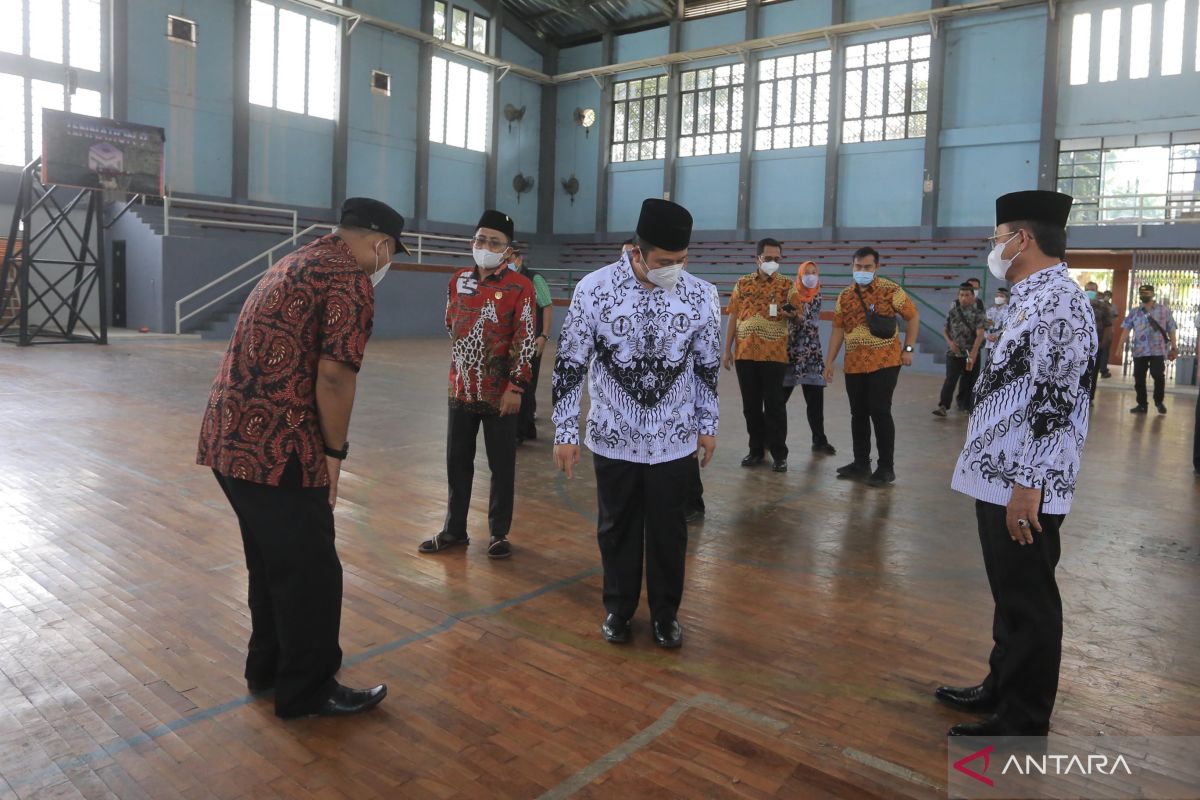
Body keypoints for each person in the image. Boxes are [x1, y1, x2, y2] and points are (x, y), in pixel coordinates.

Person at [197, 197, 405, 718]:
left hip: (231, 438)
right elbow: (335, 376)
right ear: (381, 244)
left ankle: (268, 668)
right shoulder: (348, 279)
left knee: (272, 561)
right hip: (277, 446)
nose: (386, 263)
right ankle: (307, 689)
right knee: (312, 569)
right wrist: (335, 453)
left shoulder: (299, 259)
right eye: (391, 253)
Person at [938, 189, 1096, 737]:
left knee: (1028, 597)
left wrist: (1029, 486)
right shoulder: (1025, 296)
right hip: (999, 473)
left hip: (1025, 484)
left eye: (999, 236)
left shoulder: (1061, 302)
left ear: (1022, 239)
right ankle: (1001, 683)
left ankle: (1025, 713)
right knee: (1008, 590)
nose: (995, 245)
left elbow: (1055, 402)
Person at [552, 198, 720, 649]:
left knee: (670, 532)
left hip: (674, 439)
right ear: (636, 251)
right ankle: (619, 608)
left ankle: (666, 615)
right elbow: (569, 363)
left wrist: (709, 424)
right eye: (665, 262)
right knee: (617, 528)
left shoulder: (702, 295)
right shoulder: (594, 289)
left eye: (682, 261)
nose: (674, 269)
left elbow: (706, 368)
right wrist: (566, 432)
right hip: (613, 436)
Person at [420, 210, 535, 559]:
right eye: (481, 240)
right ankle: (454, 529)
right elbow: (449, 322)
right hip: (461, 388)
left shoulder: (521, 287)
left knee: (501, 465)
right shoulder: (457, 279)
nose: (485, 246)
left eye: (494, 242)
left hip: (500, 394)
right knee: (457, 460)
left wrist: (515, 387)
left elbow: (525, 339)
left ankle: (498, 533)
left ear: (508, 250)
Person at [822, 246, 920, 487]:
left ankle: (886, 468)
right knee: (858, 414)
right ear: (852, 266)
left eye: (867, 267)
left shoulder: (891, 290)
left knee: (880, 411)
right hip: (854, 365)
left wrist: (908, 350)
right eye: (858, 267)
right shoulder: (844, 295)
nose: (862, 271)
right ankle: (861, 463)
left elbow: (913, 316)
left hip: (885, 362)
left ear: (877, 267)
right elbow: (837, 329)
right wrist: (829, 361)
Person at [723, 237, 799, 472]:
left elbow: (799, 315)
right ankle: (756, 451)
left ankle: (779, 454)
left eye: (777, 259)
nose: (773, 262)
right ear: (757, 258)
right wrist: (726, 349)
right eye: (768, 258)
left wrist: (793, 316)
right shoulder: (742, 283)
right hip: (745, 354)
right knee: (751, 406)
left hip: (774, 355)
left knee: (775, 405)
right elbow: (733, 316)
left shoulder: (787, 285)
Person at [782, 260, 835, 455]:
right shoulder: (790, 294)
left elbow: (809, 324)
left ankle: (819, 440)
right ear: (800, 274)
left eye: (814, 272)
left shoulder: (817, 296)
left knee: (815, 401)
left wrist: (795, 317)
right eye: (807, 272)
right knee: (779, 401)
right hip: (789, 353)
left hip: (811, 354)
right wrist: (790, 316)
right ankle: (768, 438)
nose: (811, 276)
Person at [511, 248, 553, 444]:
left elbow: (547, 306)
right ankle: (526, 427)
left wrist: (543, 335)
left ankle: (521, 430)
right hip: (513, 341)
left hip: (532, 340)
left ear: (519, 259)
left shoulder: (535, 279)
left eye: (511, 259)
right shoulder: (507, 278)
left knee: (527, 384)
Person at [1117, 284, 1178, 414]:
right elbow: (1126, 330)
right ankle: (1142, 404)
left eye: (1147, 293)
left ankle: (1159, 401)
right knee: (1139, 378)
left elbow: (1171, 329)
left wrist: (1174, 347)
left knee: (1158, 375)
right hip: (1140, 350)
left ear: (1153, 294)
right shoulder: (1134, 311)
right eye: (1142, 293)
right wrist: (1119, 346)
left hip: (1158, 350)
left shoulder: (1163, 310)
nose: (1144, 295)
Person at [933, 283, 986, 416]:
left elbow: (980, 334)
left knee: (970, 381)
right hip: (954, 353)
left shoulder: (978, 314)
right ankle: (943, 406)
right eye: (961, 295)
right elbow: (945, 329)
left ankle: (968, 406)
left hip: (971, 353)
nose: (964, 298)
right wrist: (950, 343)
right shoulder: (953, 312)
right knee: (950, 379)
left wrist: (974, 353)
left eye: (967, 295)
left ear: (973, 297)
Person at [1083, 281, 1113, 404]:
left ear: (1096, 292)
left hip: (1096, 345)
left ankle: (1090, 397)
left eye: (1092, 290)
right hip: (1080, 345)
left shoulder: (1103, 307)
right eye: (1088, 290)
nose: (1090, 292)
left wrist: (1103, 343)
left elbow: (1108, 325)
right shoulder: (1078, 303)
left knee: (1093, 372)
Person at [981, 287, 1010, 370]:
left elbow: (1008, 327)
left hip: (1001, 343)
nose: (998, 298)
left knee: (999, 366)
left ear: (1006, 298)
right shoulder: (989, 310)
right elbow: (983, 326)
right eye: (997, 296)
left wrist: (998, 337)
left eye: (1001, 296)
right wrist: (987, 336)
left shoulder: (1009, 310)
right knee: (988, 365)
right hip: (989, 343)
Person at [1099, 291, 1114, 378]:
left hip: (1107, 331)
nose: (1107, 297)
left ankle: (1103, 370)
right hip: (1097, 331)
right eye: (1106, 295)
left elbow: (1115, 318)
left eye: (1109, 295)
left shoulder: (1112, 306)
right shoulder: (1098, 304)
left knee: (1105, 351)